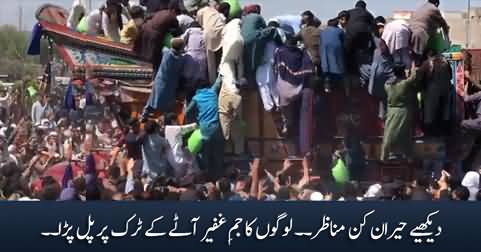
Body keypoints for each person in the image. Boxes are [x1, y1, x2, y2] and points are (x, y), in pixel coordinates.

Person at [381, 64, 425, 161]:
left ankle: (384, 158)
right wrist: (413, 68)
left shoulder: (387, 85)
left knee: (388, 135)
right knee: (406, 136)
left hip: (391, 112)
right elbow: (413, 77)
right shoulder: (404, 84)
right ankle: (409, 158)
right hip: (403, 113)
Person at [185, 76, 224, 181]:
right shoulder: (212, 92)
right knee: (218, 156)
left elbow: (187, 112)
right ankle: (219, 180)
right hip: (217, 128)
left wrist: (195, 120)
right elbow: (218, 81)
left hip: (205, 130)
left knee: (204, 156)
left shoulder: (196, 98)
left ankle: (206, 180)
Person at [218, 18, 245, 156]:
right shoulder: (240, 35)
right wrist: (241, 79)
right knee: (238, 125)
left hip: (230, 92)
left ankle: (228, 151)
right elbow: (240, 64)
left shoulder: (227, 32)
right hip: (237, 94)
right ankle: (239, 151)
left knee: (225, 125)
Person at [141, 38, 185, 121]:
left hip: (160, 82)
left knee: (152, 100)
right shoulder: (181, 60)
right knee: (169, 105)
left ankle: (144, 115)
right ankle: (167, 120)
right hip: (171, 86)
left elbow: (164, 47)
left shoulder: (166, 53)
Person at [134, 0, 180, 74]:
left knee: (143, 52)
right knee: (156, 58)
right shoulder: (172, 17)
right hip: (154, 35)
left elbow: (148, 16)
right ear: (174, 10)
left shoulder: (161, 12)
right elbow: (177, 33)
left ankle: (141, 70)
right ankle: (154, 78)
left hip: (144, 29)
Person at [409, 0, 450, 65]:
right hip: (420, 33)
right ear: (436, 3)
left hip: (410, 32)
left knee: (413, 57)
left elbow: (427, 20)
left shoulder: (421, 7)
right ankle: (417, 73)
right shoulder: (434, 9)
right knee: (419, 60)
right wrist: (447, 32)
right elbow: (442, 22)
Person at [196, 1, 226, 83]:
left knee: (211, 61)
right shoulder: (214, 11)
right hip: (222, 31)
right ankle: (223, 80)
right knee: (222, 58)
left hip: (209, 33)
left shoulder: (200, 12)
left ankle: (213, 83)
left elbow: (200, 23)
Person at [344, 1, 375, 76]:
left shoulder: (348, 12)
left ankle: (349, 72)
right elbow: (373, 26)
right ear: (364, 7)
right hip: (363, 41)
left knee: (348, 55)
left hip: (349, 37)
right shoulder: (368, 14)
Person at [181, 21, 208, 100]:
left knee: (189, 83)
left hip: (191, 58)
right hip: (202, 59)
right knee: (199, 83)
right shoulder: (204, 32)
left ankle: (188, 102)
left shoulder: (189, 31)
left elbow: (181, 40)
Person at [319, 18, 345, 92]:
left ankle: (327, 87)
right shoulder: (340, 31)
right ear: (336, 25)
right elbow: (344, 42)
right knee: (337, 66)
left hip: (324, 53)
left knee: (326, 67)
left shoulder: (322, 32)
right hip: (337, 53)